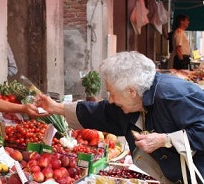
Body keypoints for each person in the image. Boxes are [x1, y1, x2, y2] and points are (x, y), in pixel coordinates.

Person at [36, 51, 204, 183]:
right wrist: (57, 108)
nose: (111, 100)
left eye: (112, 93)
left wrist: (165, 139)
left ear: (131, 91)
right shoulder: (132, 101)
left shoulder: (175, 96)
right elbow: (99, 112)